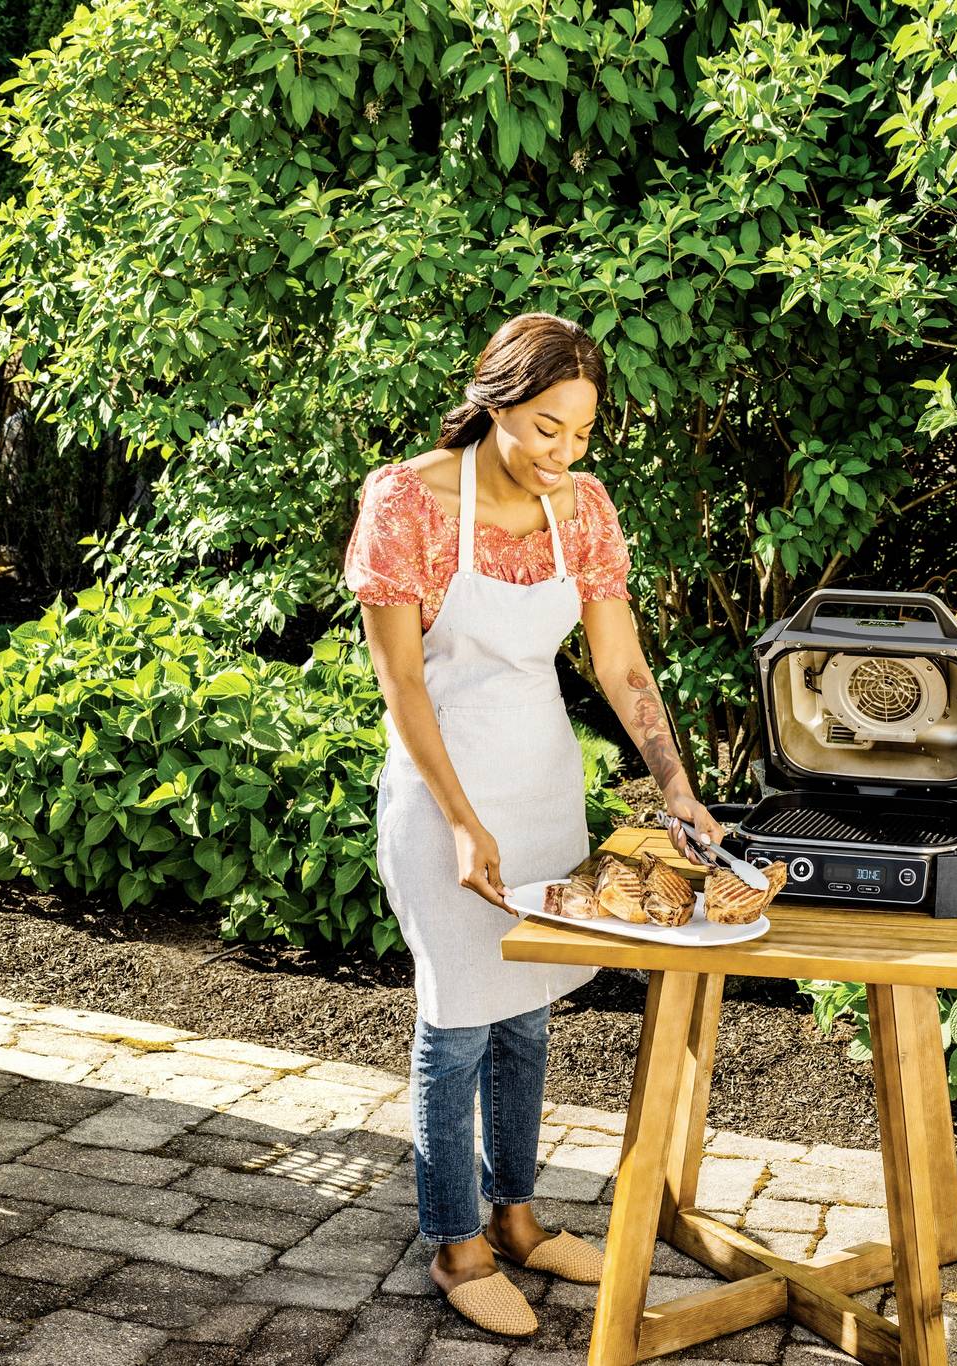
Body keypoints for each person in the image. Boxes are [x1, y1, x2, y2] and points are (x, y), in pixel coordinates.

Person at [342, 312, 730, 1338]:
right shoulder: (405, 501)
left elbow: (622, 668)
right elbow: (403, 686)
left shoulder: (585, 508)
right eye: (546, 429)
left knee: (525, 1010)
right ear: (495, 401)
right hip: (443, 797)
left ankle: (517, 1217)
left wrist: (677, 788)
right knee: (458, 1012)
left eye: (582, 434)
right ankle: (456, 1240)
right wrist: (462, 821)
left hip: (544, 784)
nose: (565, 453)